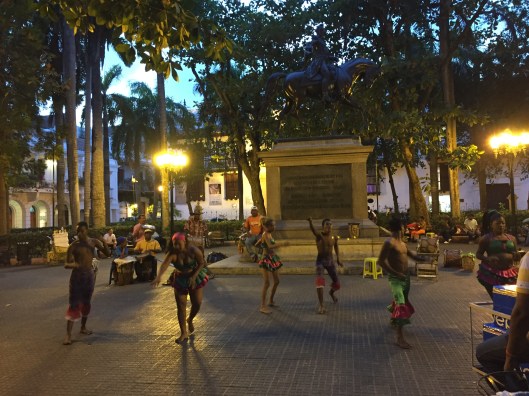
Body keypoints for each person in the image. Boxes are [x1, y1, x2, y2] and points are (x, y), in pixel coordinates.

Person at [152, 232, 209, 344]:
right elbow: (164, 264)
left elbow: (202, 263)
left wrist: (194, 276)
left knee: (197, 303)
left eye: (178, 244)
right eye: (174, 244)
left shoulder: (193, 250)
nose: (176, 246)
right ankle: (183, 332)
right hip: (180, 278)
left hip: (194, 276)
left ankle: (190, 319)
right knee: (181, 306)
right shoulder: (172, 253)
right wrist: (158, 276)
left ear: (184, 242)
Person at [377, 216, 425, 349]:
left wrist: (422, 258)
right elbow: (380, 261)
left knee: (401, 300)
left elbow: (411, 255)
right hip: (396, 279)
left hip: (406, 278)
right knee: (401, 304)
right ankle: (399, 337)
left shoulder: (403, 243)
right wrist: (395, 273)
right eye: (404, 227)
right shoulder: (389, 243)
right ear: (400, 228)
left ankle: (394, 321)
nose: (405, 229)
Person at [63, 221, 110, 345]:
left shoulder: (93, 242)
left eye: (82, 231)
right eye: (78, 232)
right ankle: (68, 334)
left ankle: (83, 327)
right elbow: (66, 264)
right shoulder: (73, 246)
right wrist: (75, 264)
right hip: (77, 277)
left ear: (86, 231)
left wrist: (104, 242)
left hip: (89, 276)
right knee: (74, 304)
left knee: (86, 303)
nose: (79, 234)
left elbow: (108, 253)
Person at [476, 211, 520, 299]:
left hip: (510, 273)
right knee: (497, 298)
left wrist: (517, 255)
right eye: (498, 223)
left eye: (503, 223)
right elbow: (478, 254)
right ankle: (497, 310)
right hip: (492, 273)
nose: (501, 225)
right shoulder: (486, 239)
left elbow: (515, 253)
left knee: (510, 297)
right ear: (491, 225)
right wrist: (487, 259)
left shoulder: (512, 238)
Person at [307, 217, 343, 314]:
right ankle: (321, 305)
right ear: (323, 226)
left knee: (337, 284)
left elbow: (336, 246)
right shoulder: (319, 236)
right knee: (320, 283)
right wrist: (310, 222)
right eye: (327, 224)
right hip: (320, 262)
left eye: (330, 224)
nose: (329, 226)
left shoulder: (334, 237)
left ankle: (331, 293)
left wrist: (338, 258)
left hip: (330, 262)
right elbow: (313, 231)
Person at [256, 218, 288, 314]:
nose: (274, 227)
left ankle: (270, 301)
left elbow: (259, 244)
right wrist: (282, 244)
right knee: (267, 283)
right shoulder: (265, 234)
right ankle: (262, 306)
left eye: (274, 225)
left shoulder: (268, 234)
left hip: (272, 258)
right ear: (267, 227)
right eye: (272, 225)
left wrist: (260, 243)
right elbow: (270, 246)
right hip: (265, 259)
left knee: (277, 281)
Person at [304, 24, 336, 102]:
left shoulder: (322, 41)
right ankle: (325, 95)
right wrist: (313, 44)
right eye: (321, 31)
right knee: (326, 74)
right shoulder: (316, 39)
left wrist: (332, 57)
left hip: (324, 60)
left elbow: (325, 53)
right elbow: (311, 47)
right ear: (318, 31)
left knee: (334, 72)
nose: (323, 32)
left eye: (323, 31)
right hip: (318, 61)